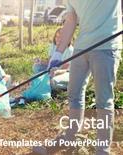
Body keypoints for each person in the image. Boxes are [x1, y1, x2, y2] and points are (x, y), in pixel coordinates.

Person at [33, 0, 122, 154]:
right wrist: (58, 53)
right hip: (81, 47)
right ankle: (70, 136)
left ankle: (102, 150)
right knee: (74, 94)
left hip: (106, 46)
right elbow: (71, 19)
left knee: (103, 101)